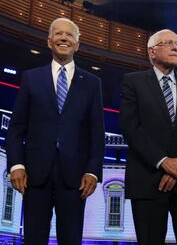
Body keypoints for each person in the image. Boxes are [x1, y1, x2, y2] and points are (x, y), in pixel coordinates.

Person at [6, 18, 105, 245]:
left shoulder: (91, 83)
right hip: (35, 175)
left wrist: (92, 171)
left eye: (69, 35)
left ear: (77, 44)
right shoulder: (31, 78)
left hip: (75, 178)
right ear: (49, 41)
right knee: (34, 239)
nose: (63, 38)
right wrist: (16, 165)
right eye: (58, 34)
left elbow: (97, 133)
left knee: (71, 240)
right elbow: (17, 127)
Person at [120, 29, 177, 245]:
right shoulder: (133, 82)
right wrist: (164, 162)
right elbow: (131, 128)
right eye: (169, 43)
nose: (175, 48)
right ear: (152, 51)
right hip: (148, 180)